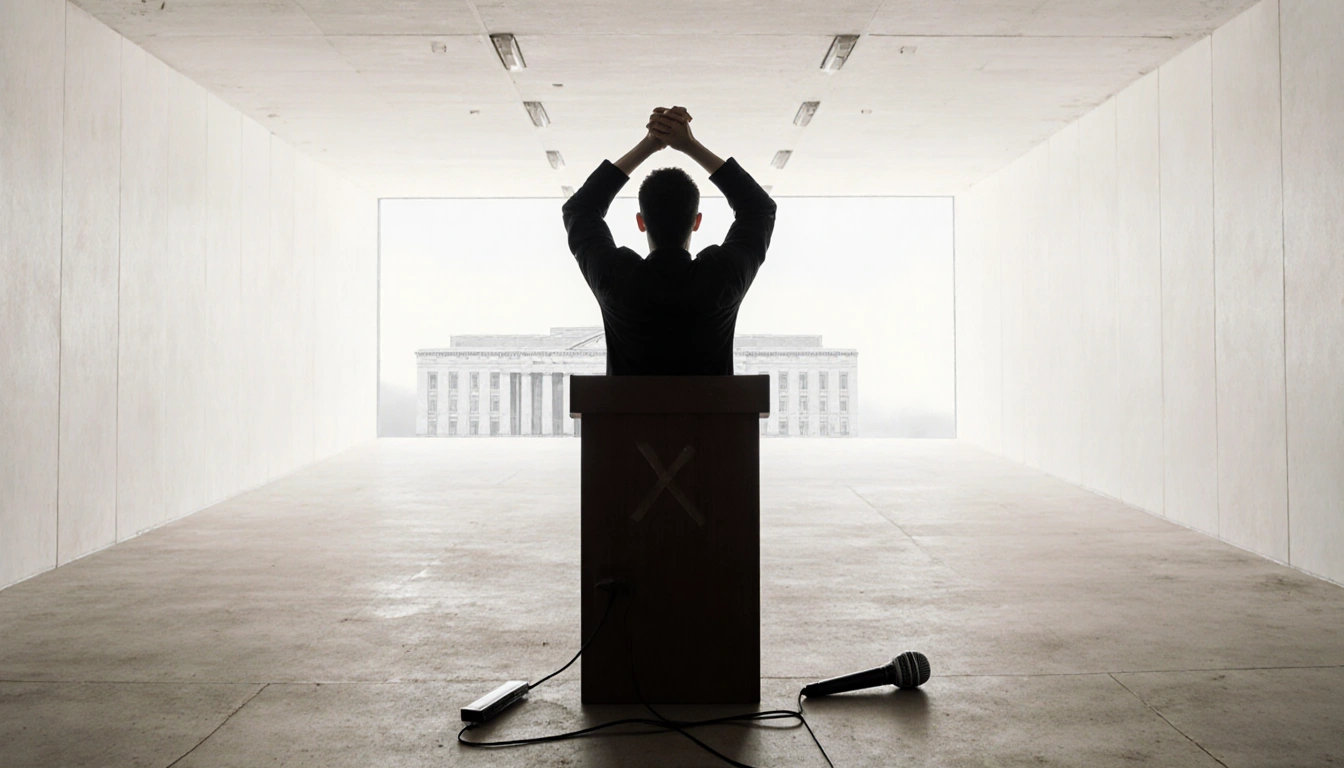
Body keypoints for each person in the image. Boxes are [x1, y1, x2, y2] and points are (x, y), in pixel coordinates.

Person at [562, 106, 777, 375]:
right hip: (710, 418)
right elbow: (759, 209)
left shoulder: (617, 280)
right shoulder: (722, 278)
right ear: (696, 222)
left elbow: (579, 210)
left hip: (631, 418)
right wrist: (690, 145)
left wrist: (649, 144)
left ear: (641, 222)